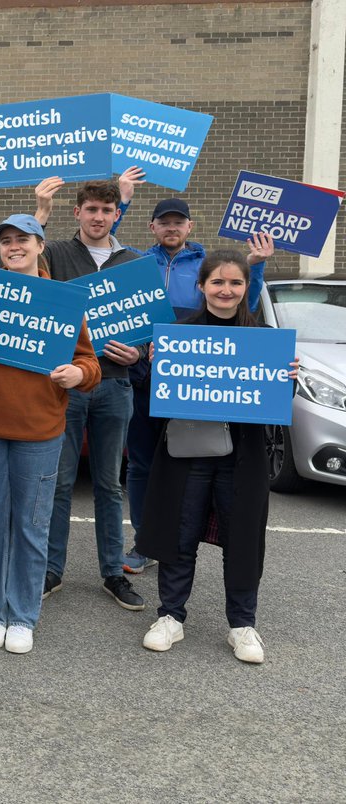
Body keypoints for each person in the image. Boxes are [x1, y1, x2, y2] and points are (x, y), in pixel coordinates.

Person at [0, 214, 101, 655]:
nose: (14, 246)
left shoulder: (61, 300)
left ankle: (24, 613)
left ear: (40, 245)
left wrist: (77, 372)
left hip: (40, 429)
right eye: (6, 241)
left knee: (32, 524)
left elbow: (91, 364)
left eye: (22, 240)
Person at [138, 249, 296, 664]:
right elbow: (158, 401)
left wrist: (288, 379)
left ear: (246, 288)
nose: (226, 290)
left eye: (235, 283)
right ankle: (170, 616)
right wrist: (159, 368)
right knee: (179, 533)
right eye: (218, 282)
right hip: (186, 452)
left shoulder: (264, 337)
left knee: (242, 538)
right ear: (202, 285)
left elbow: (273, 404)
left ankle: (242, 624)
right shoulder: (178, 333)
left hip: (241, 457)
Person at [113, 183, 272, 574]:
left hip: (195, 383)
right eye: (164, 222)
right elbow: (102, 239)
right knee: (141, 465)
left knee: (185, 466)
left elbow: (241, 310)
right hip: (144, 376)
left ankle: (185, 540)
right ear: (152, 227)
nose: (171, 228)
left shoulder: (207, 267)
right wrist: (123, 201)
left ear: (189, 226)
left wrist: (258, 264)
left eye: (178, 222)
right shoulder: (136, 262)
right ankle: (143, 542)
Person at [34, 177, 146, 611]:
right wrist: (40, 211)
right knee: (60, 481)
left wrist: (137, 352)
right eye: (91, 209)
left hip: (116, 384)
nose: (99, 217)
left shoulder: (134, 262)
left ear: (117, 213)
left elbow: (149, 328)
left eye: (107, 210)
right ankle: (51, 568)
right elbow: (23, 265)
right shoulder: (57, 254)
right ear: (77, 212)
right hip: (70, 386)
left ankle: (113, 573)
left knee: (108, 484)